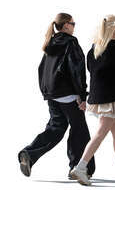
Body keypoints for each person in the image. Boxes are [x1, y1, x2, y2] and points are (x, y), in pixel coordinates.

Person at [18, 13, 95, 179]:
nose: (75, 27)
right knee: (80, 132)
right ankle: (80, 168)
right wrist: (82, 95)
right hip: (69, 96)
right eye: (73, 24)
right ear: (66, 25)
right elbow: (77, 70)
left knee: (56, 129)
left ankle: (29, 154)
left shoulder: (50, 42)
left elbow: (41, 69)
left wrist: (47, 92)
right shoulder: (70, 42)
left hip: (53, 95)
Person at [70, 14, 115, 186]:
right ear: (113, 28)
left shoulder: (94, 49)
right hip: (113, 96)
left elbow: (91, 70)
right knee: (102, 132)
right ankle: (81, 167)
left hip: (98, 96)